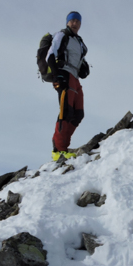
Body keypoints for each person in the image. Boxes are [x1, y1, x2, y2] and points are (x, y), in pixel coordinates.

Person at [47, 11, 89, 160]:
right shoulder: (61, 35)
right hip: (64, 75)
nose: (75, 23)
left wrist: (84, 67)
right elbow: (50, 55)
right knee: (66, 111)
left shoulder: (79, 41)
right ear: (67, 22)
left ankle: (63, 145)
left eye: (78, 21)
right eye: (72, 21)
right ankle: (58, 150)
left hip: (75, 78)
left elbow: (79, 59)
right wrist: (57, 75)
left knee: (78, 114)